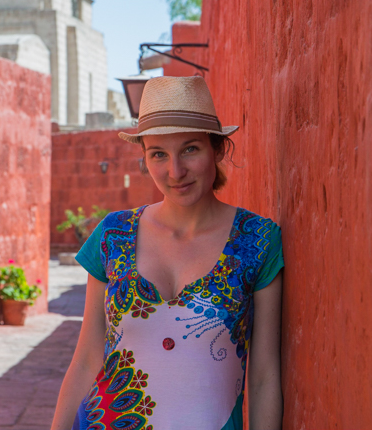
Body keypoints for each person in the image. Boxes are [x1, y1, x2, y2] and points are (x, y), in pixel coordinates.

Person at [51, 76, 284, 430]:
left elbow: (264, 375)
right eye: (158, 154)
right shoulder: (113, 236)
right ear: (145, 158)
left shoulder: (258, 241)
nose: (175, 172)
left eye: (190, 149)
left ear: (218, 149)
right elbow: (86, 358)